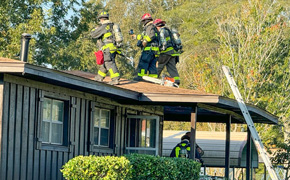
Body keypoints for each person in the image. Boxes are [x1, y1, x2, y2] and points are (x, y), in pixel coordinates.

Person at [91, 11, 122, 85]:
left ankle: (115, 79)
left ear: (101, 19)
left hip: (108, 48)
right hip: (113, 48)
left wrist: (94, 29)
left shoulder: (104, 26)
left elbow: (93, 34)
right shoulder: (112, 25)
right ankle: (99, 77)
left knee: (109, 63)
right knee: (105, 63)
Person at [153, 19, 181, 85]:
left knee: (158, 66)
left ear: (157, 26)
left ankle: (153, 80)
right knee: (172, 68)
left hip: (165, 53)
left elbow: (163, 43)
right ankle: (176, 80)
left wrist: (159, 50)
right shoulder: (168, 30)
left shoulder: (161, 31)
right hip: (173, 53)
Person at [133, 13, 160, 81]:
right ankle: (153, 80)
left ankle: (141, 77)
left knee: (143, 64)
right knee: (152, 66)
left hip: (148, 50)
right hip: (155, 51)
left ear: (145, 20)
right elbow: (143, 36)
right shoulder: (154, 27)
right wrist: (136, 37)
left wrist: (144, 42)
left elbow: (151, 36)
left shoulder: (149, 26)